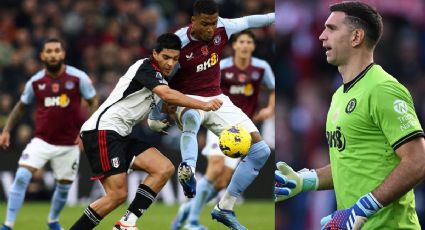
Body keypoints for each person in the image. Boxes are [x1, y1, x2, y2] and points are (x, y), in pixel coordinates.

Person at [275, 2, 425, 230]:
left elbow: (418, 161)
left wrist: (362, 209)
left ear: (356, 37)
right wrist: (306, 180)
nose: (322, 36)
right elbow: (353, 165)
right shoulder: (339, 96)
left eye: (332, 29)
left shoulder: (382, 89)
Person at [70, 33, 222, 230]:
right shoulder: (145, 67)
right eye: (166, 57)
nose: (170, 63)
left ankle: (127, 223)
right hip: (103, 130)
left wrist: (158, 123)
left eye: (175, 59)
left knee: (163, 168)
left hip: (120, 134)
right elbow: (167, 95)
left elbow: (154, 114)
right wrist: (204, 104)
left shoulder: (161, 81)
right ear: (155, 54)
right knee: (117, 195)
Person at [163, 0, 274, 229]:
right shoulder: (178, 42)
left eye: (213, 23)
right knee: (192, 120)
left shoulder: (224, 28)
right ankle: (189, 170)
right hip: (187, 99)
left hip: (218, 99)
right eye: (205, 24)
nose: (210, 29)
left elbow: (250, 21)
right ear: (193, 21)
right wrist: (158, 112)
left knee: (260, 151)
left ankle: (225, 208)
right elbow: (159, 78)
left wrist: (278, 16)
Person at [0, 38, 98, 230]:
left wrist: (88, 131)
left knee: (63, 188)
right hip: (41, 141)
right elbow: (21, 107)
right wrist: (6, 131)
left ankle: (53, 221)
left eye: (56, 51)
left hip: (69, 144)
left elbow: (93, 101)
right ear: (42, 56)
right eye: (49, 51)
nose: (53, 54)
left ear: (62, 54)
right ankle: (7, 225)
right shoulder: (36, 81)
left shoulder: (78, 78)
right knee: (21, 176)